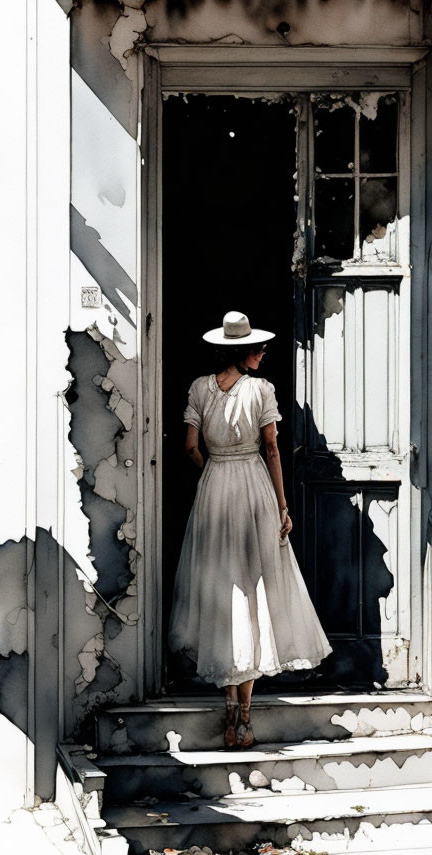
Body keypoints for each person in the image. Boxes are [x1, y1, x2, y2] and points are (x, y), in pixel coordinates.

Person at [168, 311, 333, 748]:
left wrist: (213, 473)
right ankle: (245, 717)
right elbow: (272, 447)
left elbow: (190, 446)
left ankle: (229, 713)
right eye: (258, 348)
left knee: (224, 589)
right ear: (244, 352)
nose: (263, 353)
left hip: (215, 490)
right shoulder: (261, 390)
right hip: (254, 489)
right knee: (255, 587)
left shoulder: (199, 388)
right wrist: (281, 504)